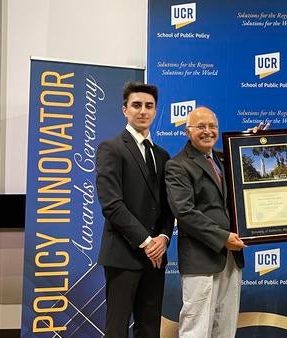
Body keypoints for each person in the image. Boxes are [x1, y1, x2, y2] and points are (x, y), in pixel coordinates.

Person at [96, 82, 174, 338]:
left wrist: (162, 238)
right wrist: (146, 241)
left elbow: (167, 207)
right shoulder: (111, 148)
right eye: (136, 105)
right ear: (124, 110)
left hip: (156, 257)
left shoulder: (163, 156)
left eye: (149, 106)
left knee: (150, 327)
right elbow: (112, 205)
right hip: (123, 255)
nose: (143, 111)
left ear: (155, 111)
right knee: (117, 328)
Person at [165, 106, 246, 338]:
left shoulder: (222, 158)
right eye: (201, 127)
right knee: (196, 329)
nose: (208, 131)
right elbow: (184, 212)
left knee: (226, 327)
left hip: (232, 257)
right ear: (187, 131)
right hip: (201, 258)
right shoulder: (178, 165)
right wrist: (223, 238)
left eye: (212, 127)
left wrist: (255, 140)